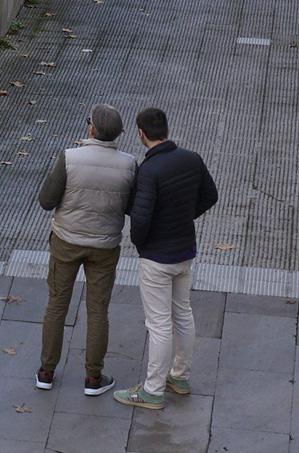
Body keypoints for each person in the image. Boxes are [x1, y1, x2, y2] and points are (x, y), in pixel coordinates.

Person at [114, 107, 219, 412]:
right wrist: (185, 217)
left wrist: (139, 242)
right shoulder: (192, 159)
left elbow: (141, 218)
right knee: (182, 314)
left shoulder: (149, 170)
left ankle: (152, 390)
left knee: (158, 324)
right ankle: (180, 377)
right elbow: (210, 196)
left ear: (141, 134)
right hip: (185, 251)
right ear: (167, 130)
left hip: (157, 257)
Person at [36, 103, 137, 398]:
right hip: (105, 246)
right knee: (97, 310)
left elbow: (46, 200)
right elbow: (130, 206)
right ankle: (93, 377)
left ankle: (46, 371)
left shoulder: (69, 158)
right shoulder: (129, 163)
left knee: (57, 304)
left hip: (66, 240)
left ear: (91, 128)